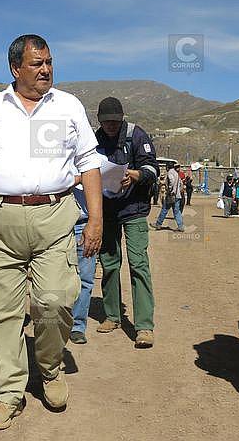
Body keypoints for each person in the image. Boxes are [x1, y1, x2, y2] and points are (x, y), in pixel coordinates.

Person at [0, 34, 103, 430]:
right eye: (36, 64)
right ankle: (8, 392)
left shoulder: (68, 106)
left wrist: (96, 220)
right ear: (15, 68)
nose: (46, 69)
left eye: (49, 62)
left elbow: (88, 163)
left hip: (54, 217)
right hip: (0, 221)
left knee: (54, 303)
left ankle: (50, 368)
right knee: (2, 312)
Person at [93, 97, 159, 348]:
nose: (111, 125)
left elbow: (152, 169)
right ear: (100, 121)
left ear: (122, 119)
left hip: (134, 210)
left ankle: (144, 326)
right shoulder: (95, 140)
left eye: (115, 121)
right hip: (107, 211)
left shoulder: (136, 136)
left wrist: (136, 174)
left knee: (138, 264)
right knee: (109, 264)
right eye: (106, 122)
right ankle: (112, 316)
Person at [69, 182, 96, 344]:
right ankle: (53, 324)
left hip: (84, 224)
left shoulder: (92, 166)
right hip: (55, 223)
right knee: (53, 274)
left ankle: (77, 326)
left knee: (85, 278)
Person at [154, 164, 184, 232]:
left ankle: (158, 224)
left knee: (164, 209)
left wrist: (170, 190)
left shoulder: (170, 172)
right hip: (177, 195)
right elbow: (180, 184)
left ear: (167, 167)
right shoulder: (176, 173)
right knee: (177, 212)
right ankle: (180, 226)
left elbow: (172, 181)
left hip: (171, 195)